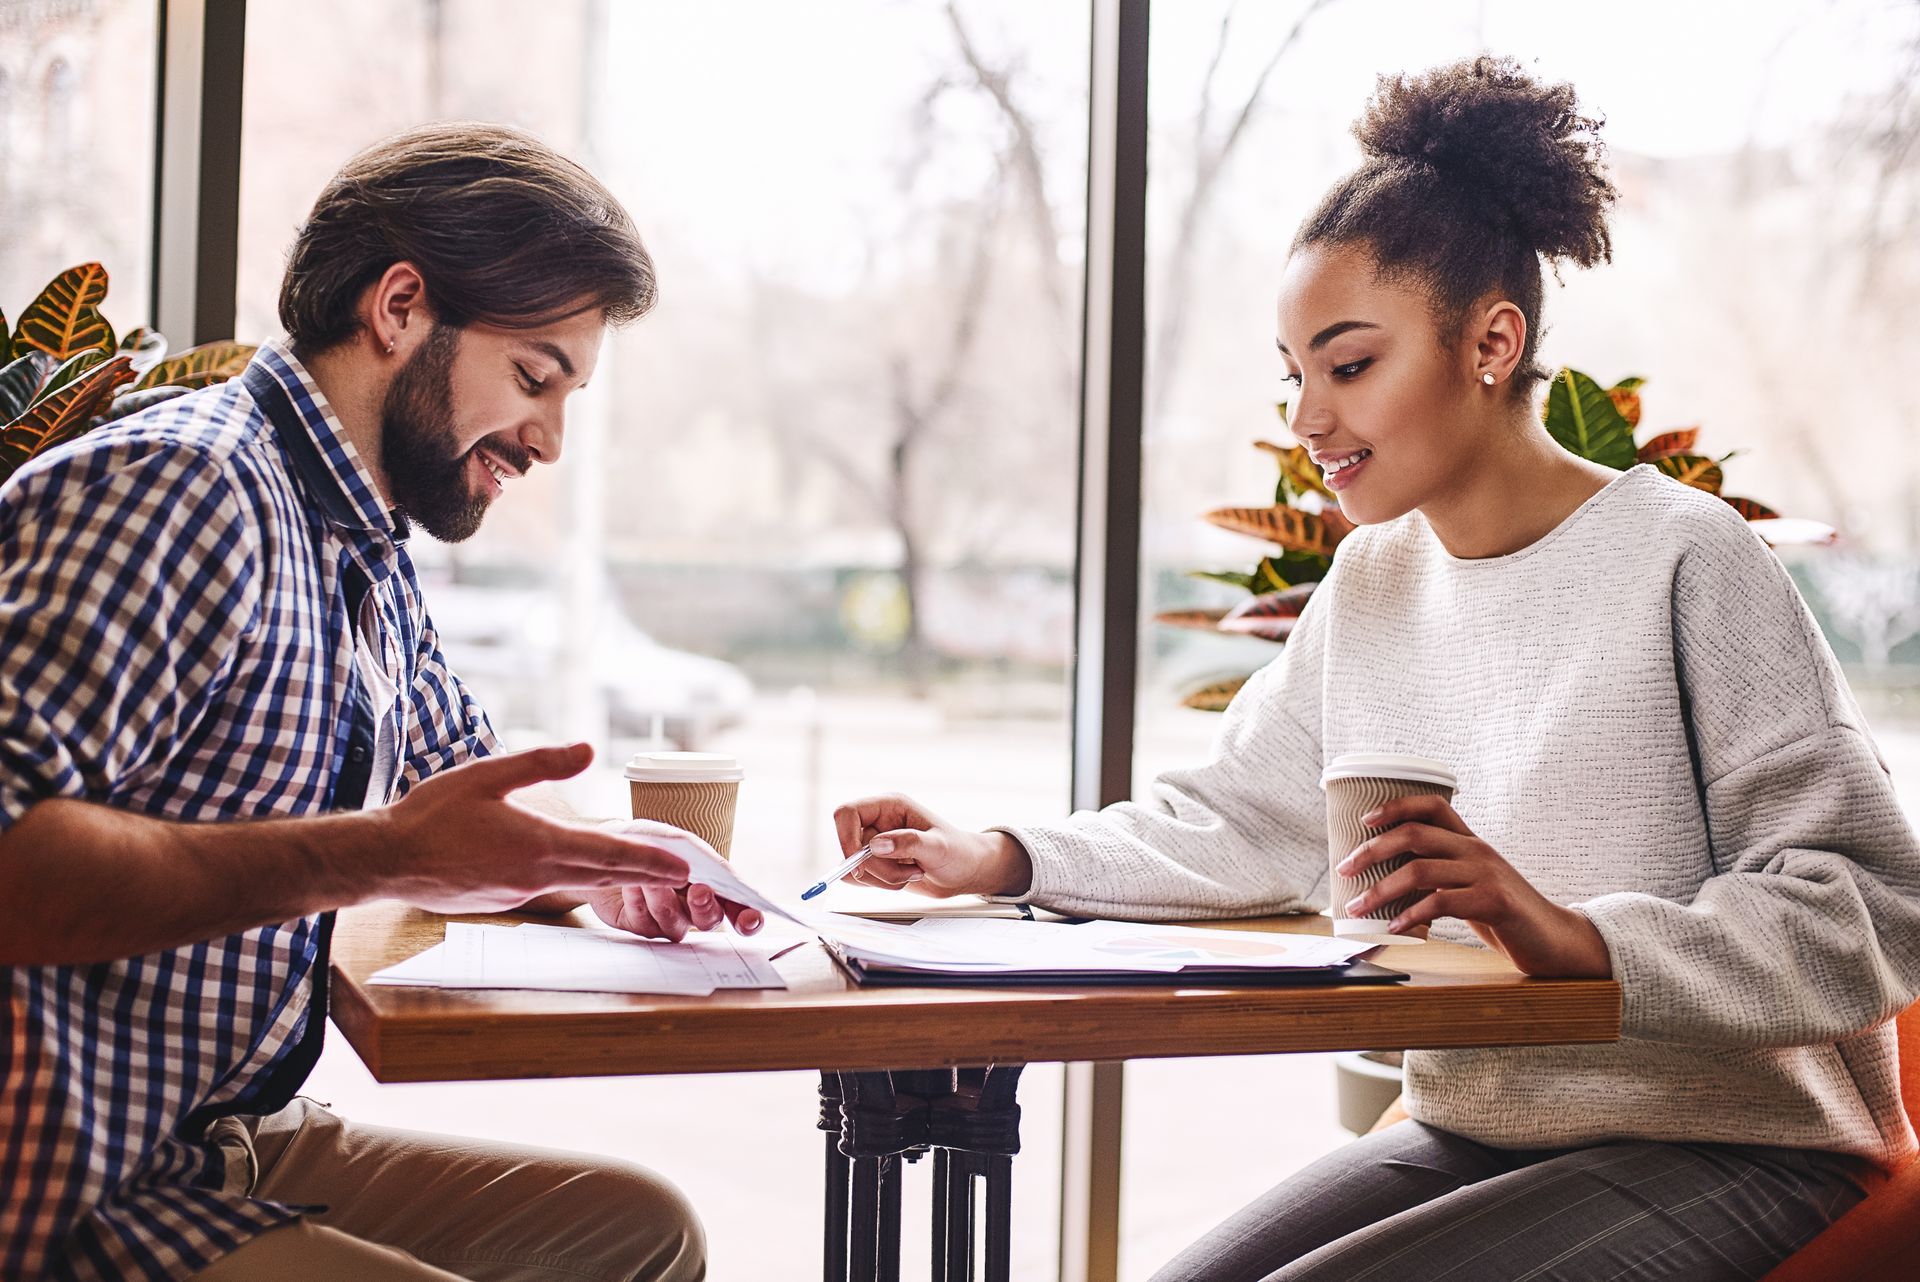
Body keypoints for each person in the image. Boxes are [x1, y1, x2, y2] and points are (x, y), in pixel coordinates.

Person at [831, 57, 1920, 1281]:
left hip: (1738, 1144)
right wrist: (997, 856)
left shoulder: (1683, 557)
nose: (1306, 417)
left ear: (1491, 343)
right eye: (1295, 375)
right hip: (1483, 1126)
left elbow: (1869, 903)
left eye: (1349, 366)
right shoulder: (1376, 580)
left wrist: (1575, 937)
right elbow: (1238, 820)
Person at [0, 123, 759, 1282]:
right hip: (71, 1181)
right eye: (535, 377)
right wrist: (376, 855)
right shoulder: (187, 488)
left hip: (207, 1135)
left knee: (642, 1231)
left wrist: (621, 871)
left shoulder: (363, 542)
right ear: (400, 308)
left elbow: (454, 811)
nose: (550, 438)